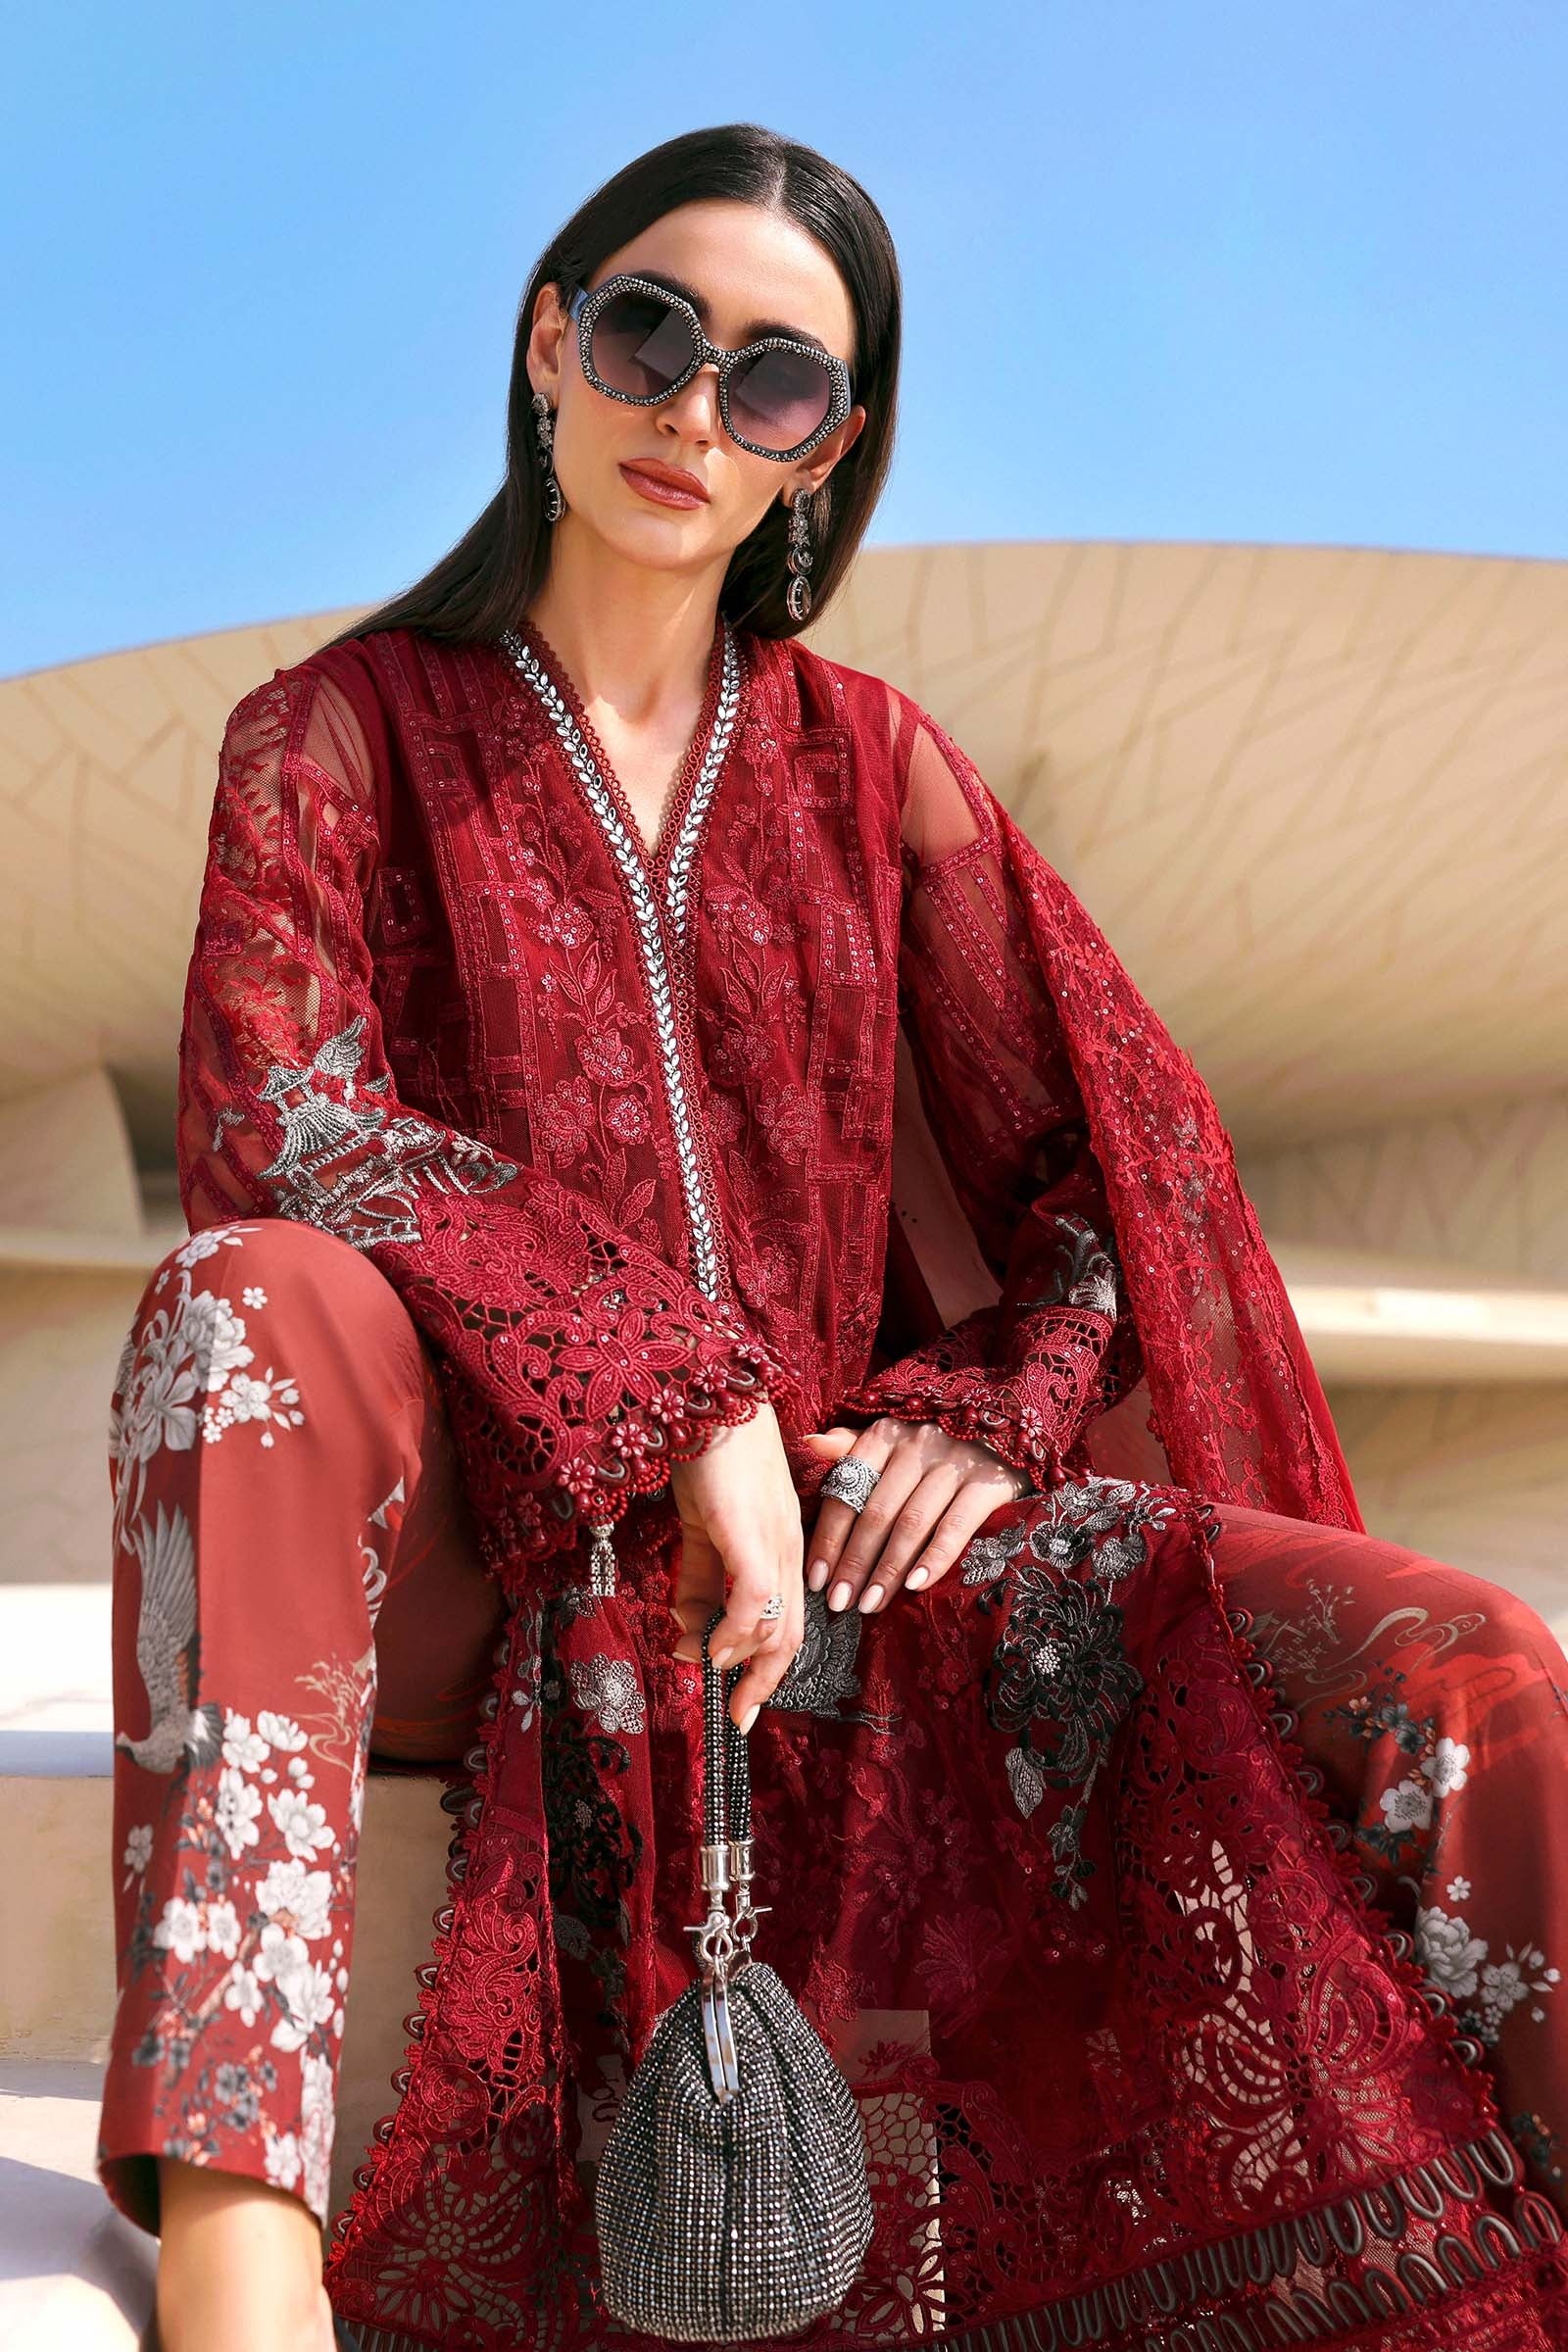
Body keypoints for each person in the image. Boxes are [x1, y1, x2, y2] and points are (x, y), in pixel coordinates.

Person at [96, 122, 1568, 2352]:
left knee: (1468, 1665)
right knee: (246, 1301)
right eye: (648, 333)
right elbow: (280, 1122)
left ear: (828, 444)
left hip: (841, 1562)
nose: (694, 406)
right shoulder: (335, 738)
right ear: (548, 345)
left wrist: (986, 1409)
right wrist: (677, 1403)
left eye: (771, 377)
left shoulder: (874, 768)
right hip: (478, 1545)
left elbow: (1109, 1176)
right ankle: (238, 2243)